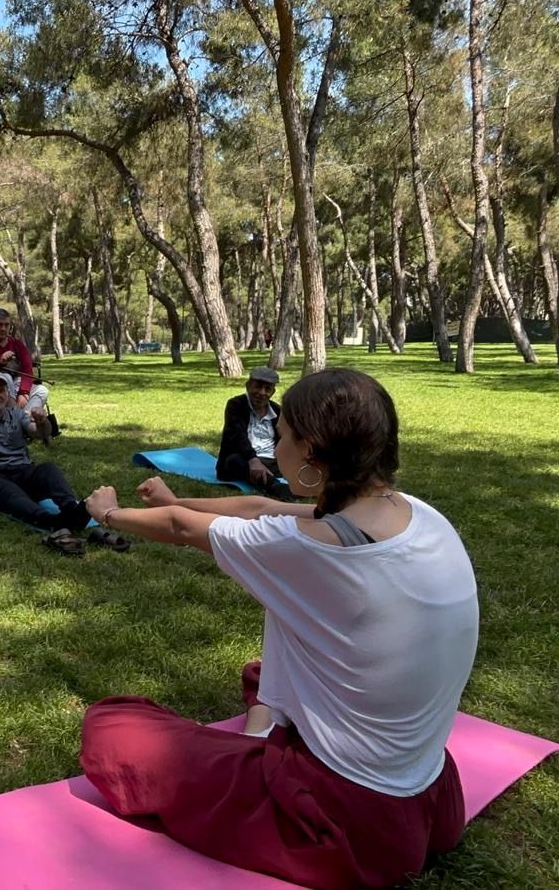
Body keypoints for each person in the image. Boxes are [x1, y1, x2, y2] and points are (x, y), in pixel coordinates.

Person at [78, 368, 479, 889]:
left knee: (113, 729)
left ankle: (261, 748)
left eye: (284, 435)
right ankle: (265, 733)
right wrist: (176, 500)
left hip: (345, 819)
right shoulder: (418, 515)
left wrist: (109, 514)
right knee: (264, 672)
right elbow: (261, 507)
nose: (277, 444)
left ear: (311, 451)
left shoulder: (307, 548)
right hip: (433, 799)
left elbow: (183, 532)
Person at [0, 371, 123, 555]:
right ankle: (51, 522)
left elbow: (39, 433)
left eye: (1, 390)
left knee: (48, 469)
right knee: (10, 493)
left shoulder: (17, 414)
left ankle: (72, 510)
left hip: (22, 471)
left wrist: (42, 421)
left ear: (8, 394)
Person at [217, 365, 294, 502]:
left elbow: (286, 437)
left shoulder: (277, 410)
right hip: (245, 459)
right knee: (233, 461)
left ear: (273, 392)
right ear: (248, 386)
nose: (262, 392)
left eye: (267, 389)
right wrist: (253, 460)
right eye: (257, 387)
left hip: (271, 460)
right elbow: (237, 436)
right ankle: (274, 486)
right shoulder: (236, 405)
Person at [0, 308, 47, 414]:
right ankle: (15, 416)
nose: (3, 328)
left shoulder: (17, 344)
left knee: (42, 390)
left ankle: (26, 416)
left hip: (16, 383)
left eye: (6, 325)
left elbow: (27, 368)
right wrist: (0, 359)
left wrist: (24, 393)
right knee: (6, 378)